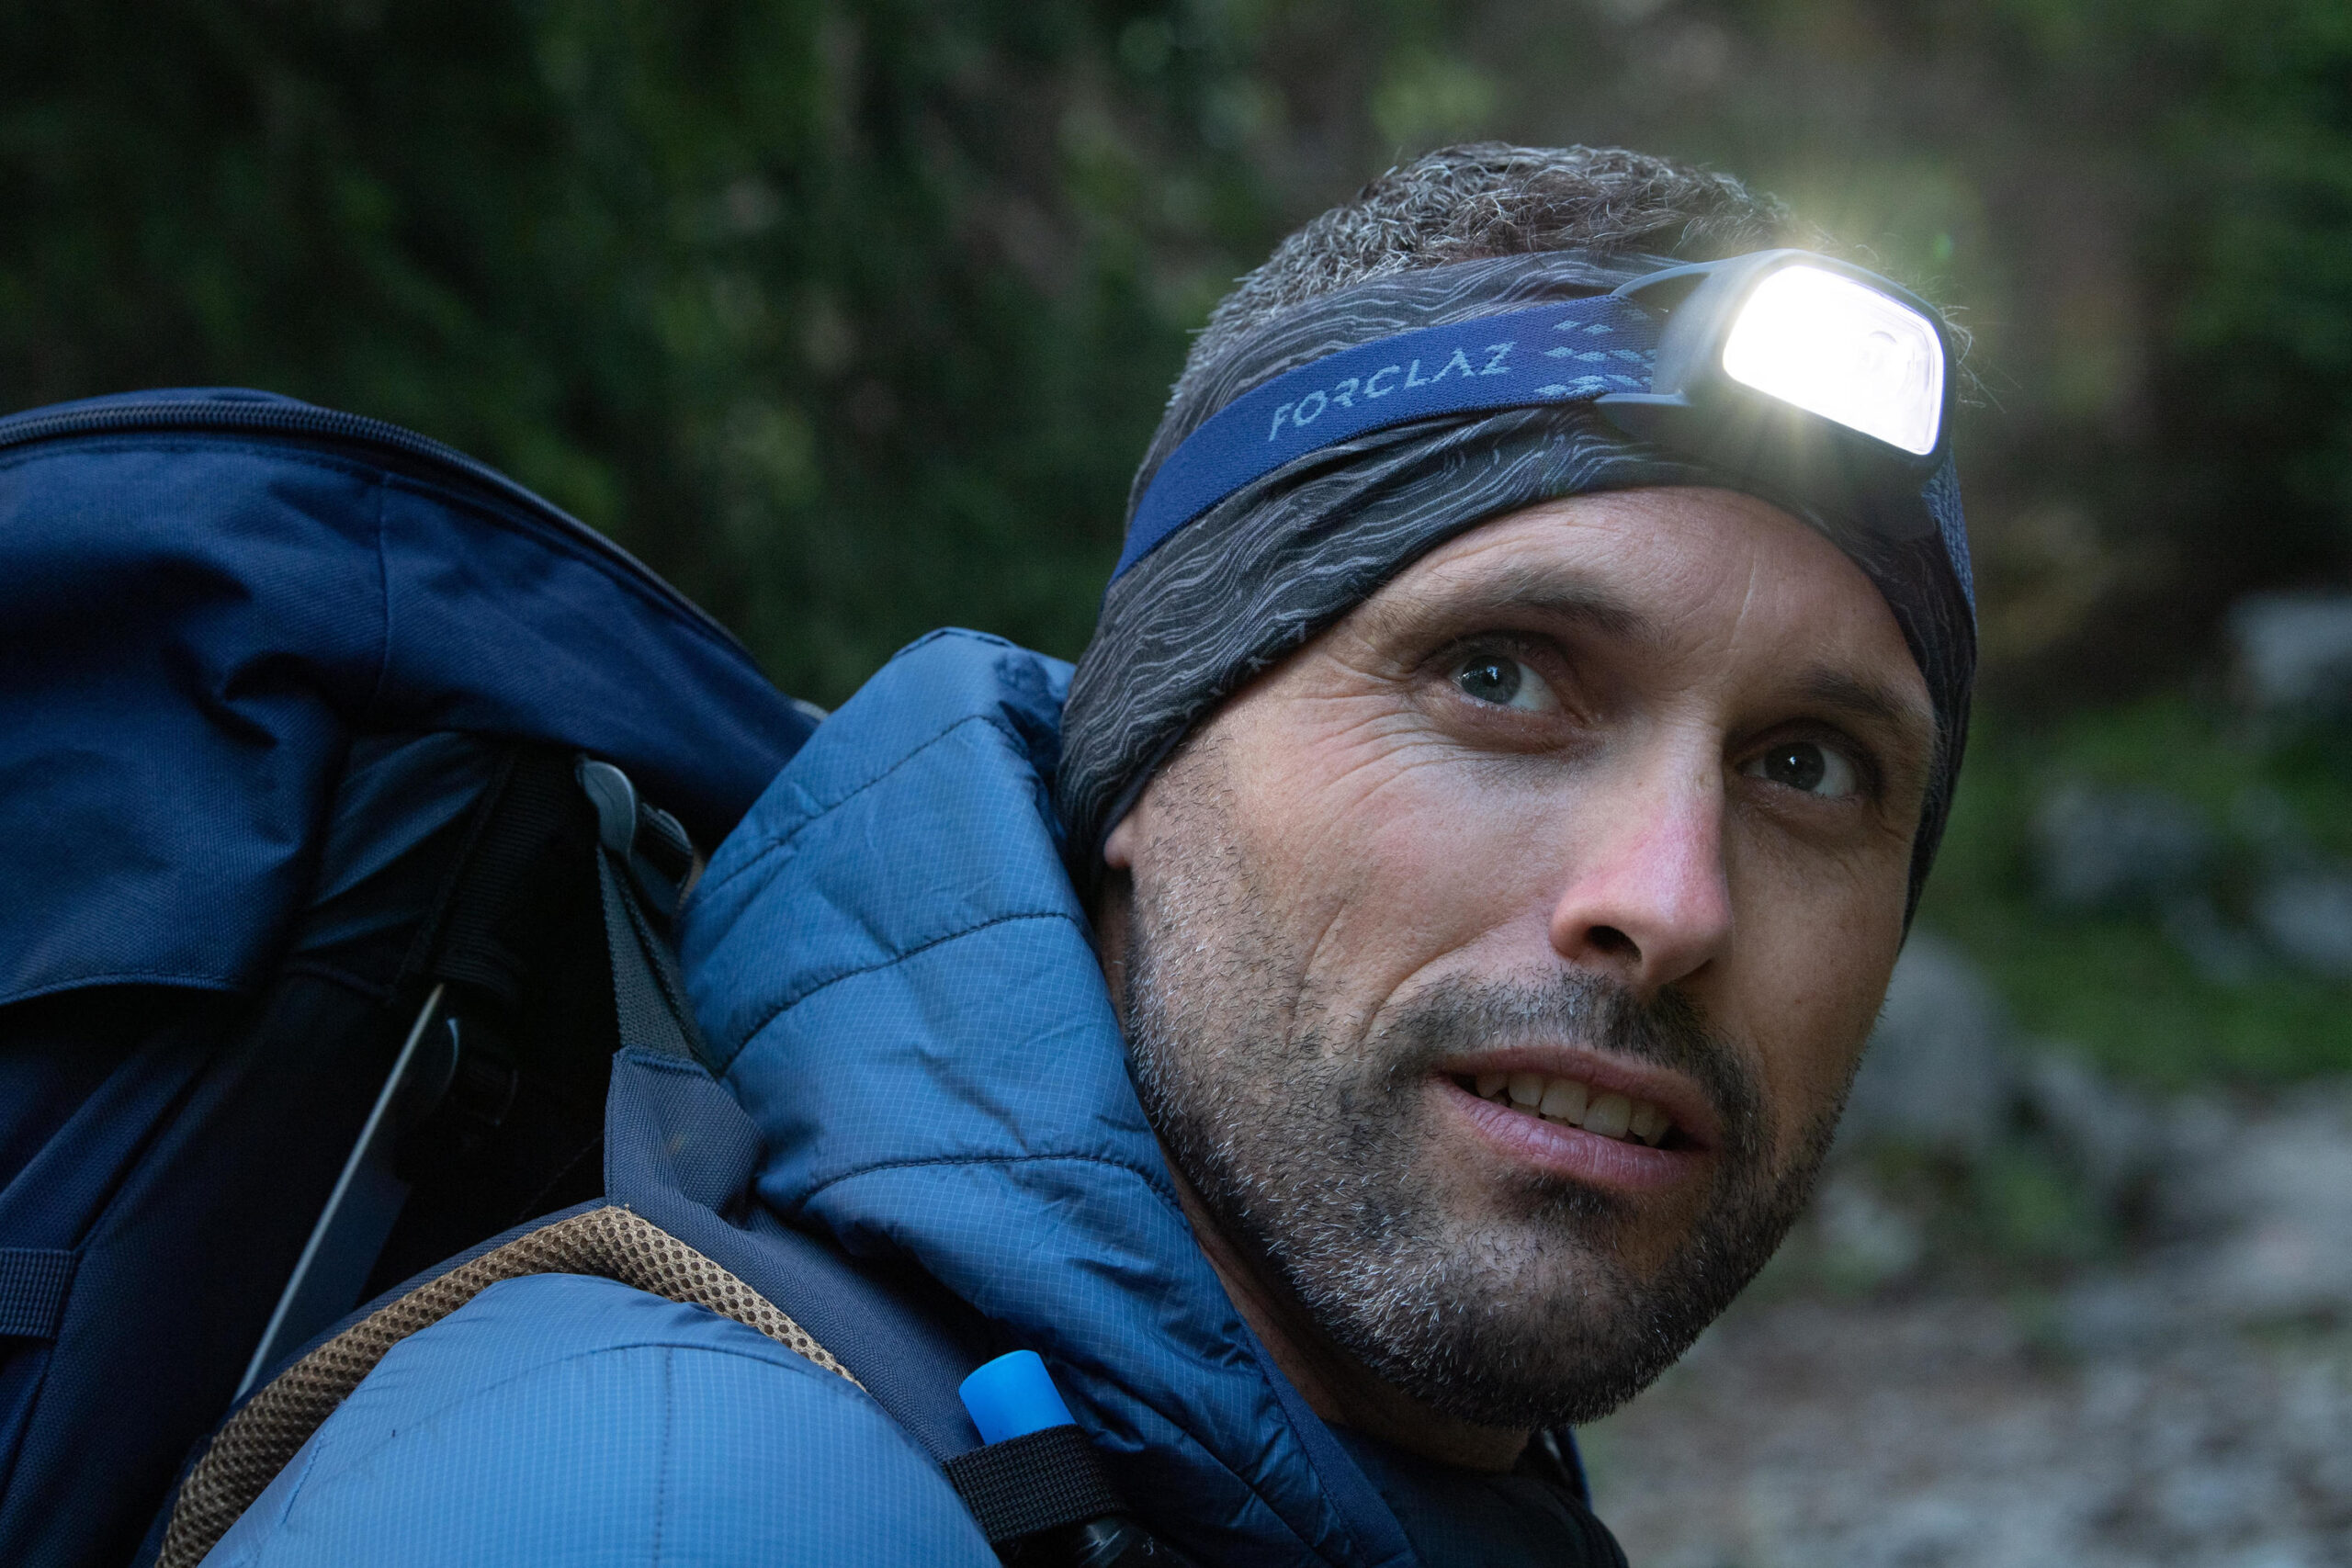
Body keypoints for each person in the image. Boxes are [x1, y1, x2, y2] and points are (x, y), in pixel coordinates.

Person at [194, 142, 1973, 1566]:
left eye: (1807, 767)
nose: (1668, 898)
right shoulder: (674, 1504)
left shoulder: (1338, 1478)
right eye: (1496, 677)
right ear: (1144, 754)